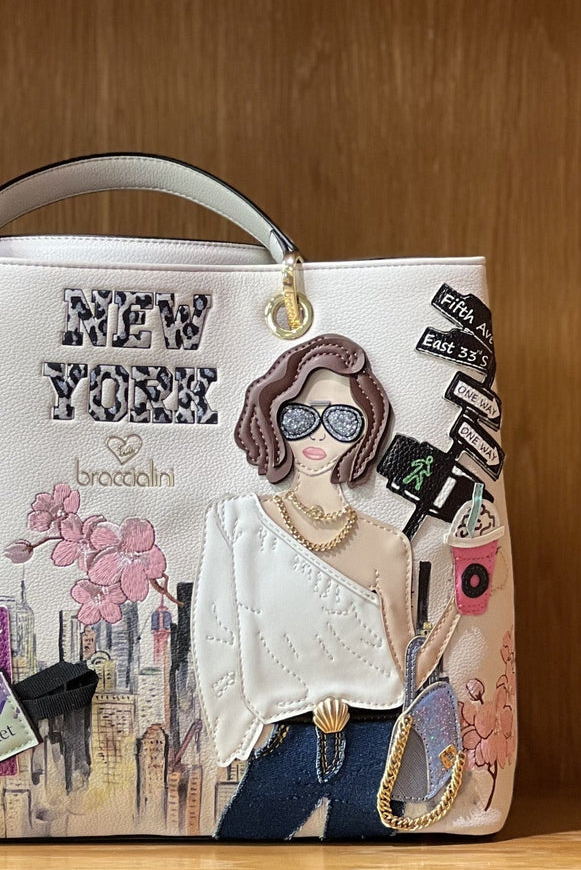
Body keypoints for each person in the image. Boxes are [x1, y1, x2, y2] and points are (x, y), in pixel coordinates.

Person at [194, 334, 460, 840]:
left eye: (342, 421)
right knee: (239, 846)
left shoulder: (387, 545)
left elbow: (407, 666)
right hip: (283, 735)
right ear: (273, 418)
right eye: (300, 417)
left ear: (365, 433)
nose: (319, 435)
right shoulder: (239, 523)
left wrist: (464, 603)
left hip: (375, 738)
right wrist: (252, 731)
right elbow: (216, 636)